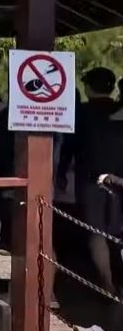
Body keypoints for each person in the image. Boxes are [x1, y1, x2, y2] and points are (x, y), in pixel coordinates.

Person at [58, 67, 123, 294]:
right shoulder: (120, 109)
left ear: (87, 88)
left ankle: (107, 282)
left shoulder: (81, 113)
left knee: (96, 232)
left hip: (90, 180)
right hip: (120, 179)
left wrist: (61, 172)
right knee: (117, 230)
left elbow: (69, 146)